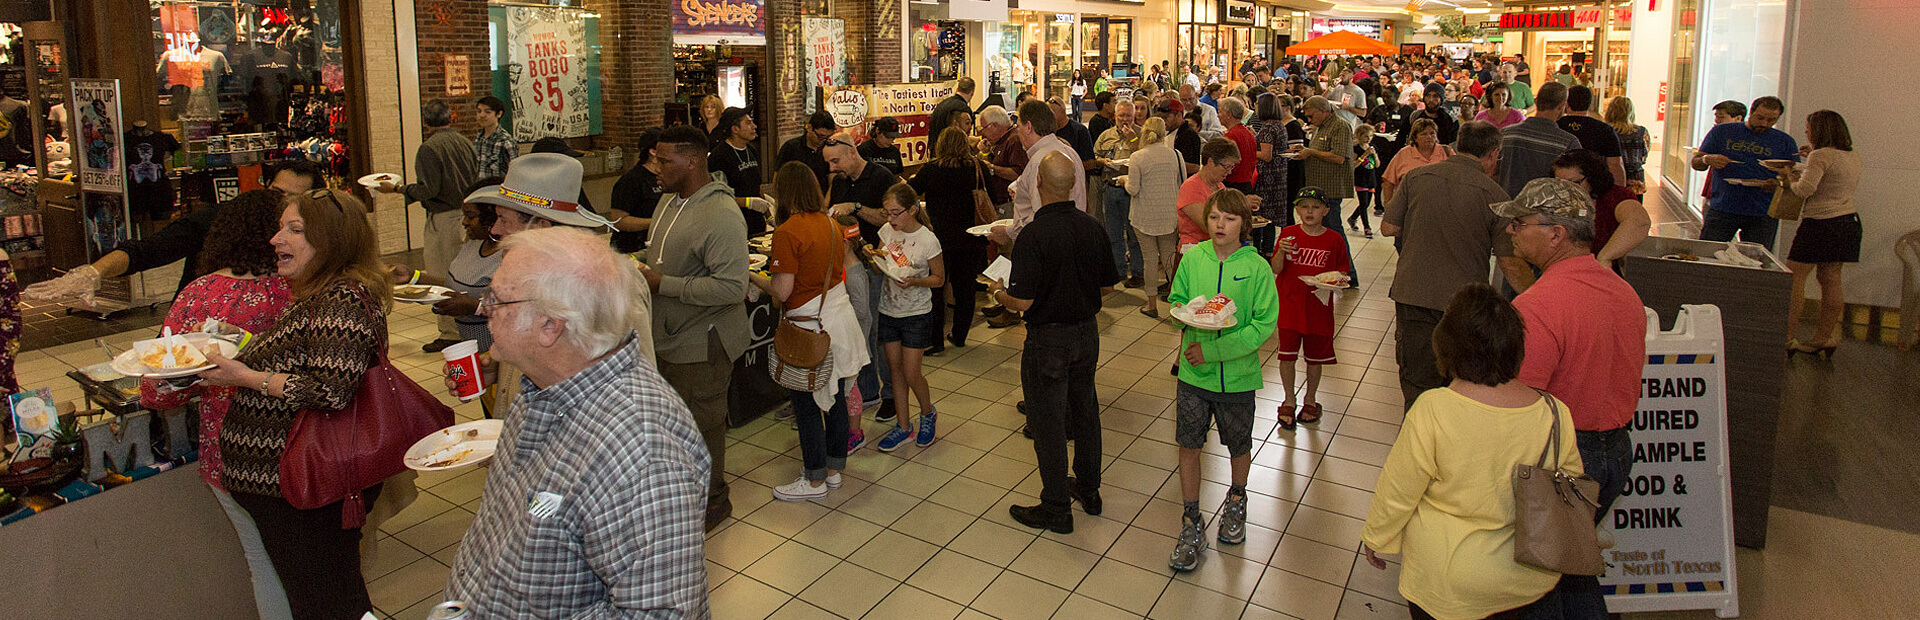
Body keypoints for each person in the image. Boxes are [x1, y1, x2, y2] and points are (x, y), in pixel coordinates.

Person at [446, 227, 709, 619]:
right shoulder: (543, 386)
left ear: (550, 326)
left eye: (496, 300)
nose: (482, 310)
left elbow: (660, 613)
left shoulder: (642, 451)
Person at [197, 188, 391, 620]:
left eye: (294, 229)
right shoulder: (318, 294)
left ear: (332, 241)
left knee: (327, 601)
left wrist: (244, 376)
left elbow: (331, 390)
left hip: (306, 485)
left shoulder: (339, 300)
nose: (276, 239)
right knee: (325, 594)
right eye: (281, 226)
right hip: (292, 486)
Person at [1361, 283, 1582, 620]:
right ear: (1515, 347)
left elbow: (1400, 488)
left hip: (1448, 580)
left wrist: (1377, 536)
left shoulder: (1433, 408)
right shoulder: (1553, 412)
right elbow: (1571, 484)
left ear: (1446, 346)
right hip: (1530, 576)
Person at [1493, 177, 1648, 620]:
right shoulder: (1623, 292)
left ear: (1556, 233)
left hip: (1563, 459)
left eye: (1520, 223)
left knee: (1539, 586)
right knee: (1573, 568)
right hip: (1616, 451)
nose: (1511, 231)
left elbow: (1524, 402)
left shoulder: (1539, 305)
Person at [136, 189, 293, 620]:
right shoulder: (302, 289)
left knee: (262, 566)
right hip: (305, 444)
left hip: (227, 451)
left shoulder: (200, 293)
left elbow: (159, 389)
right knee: (318, 568)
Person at [990, 152, 1118, 534]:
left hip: (1048, 340)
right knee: (1085, 412)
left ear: (1039, 185)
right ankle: (1089, 490)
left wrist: (998, 294)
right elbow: (1108, 285)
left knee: (1047, 422)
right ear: (1075, 185)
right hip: (1086, 332)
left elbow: (1024, 302)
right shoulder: (1092, 227)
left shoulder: (1034, 235)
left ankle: (1056, 507)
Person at [641, 126, 751, 528]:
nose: (656, 168)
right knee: (676, 426)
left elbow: (731, 287)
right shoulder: (668, 203)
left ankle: (713, 500)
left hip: (704, 343)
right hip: (669, 336)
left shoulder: (720, 214)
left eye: (664, 161)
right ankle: (685, 491)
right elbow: (665, 257)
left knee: (703, 426)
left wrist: (661, 284)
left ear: (693, 161)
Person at [1165, 188, 1278, 572]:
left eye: (1229, 219)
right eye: (1214, 217)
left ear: (1243, 224)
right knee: (1189, 444)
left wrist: (1212, 351)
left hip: (1236, 377)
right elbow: (1178, 300)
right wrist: (1182, 313)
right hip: (1194, 376)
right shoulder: (1193, 257)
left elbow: (1263, 325)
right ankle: (1191, 519)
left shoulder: (1258, 268)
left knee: (1238, 445)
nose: (1219, 225)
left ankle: (1237, 499)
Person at [24, 161, 322, 306]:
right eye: (277, 193)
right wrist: (92, 272)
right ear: (264, 185)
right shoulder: (225, 217)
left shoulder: (319, 234)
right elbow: (149, 250)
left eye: (295, 198)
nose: (283, 203)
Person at [748, 163, 870, 500]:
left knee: (806, 402)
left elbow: (783, 290)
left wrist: (752, 277)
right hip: (839, 318)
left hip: (809, 326)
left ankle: (814, 480)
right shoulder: (831, 224)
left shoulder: (787, 232)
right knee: (838, 401)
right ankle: (832, 471)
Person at [1383, 121, 1521, 409]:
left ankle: (1418, 442)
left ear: (1458, 144)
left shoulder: (1417, 178)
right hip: (1464, 305)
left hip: (1413, 294)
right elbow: (1508, 263)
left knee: (1418, 383)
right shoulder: (1495, 197)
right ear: (1494, 154)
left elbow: (1388, 227)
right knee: (1462, 385)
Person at [377, 99, 478, 354]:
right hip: (464, 214)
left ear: (425, 122)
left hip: (443, 217)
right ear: (451, 117)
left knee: (441, 274)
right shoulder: (465, 142)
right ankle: (464, 327)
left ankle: (450, 334)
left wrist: (398, 189)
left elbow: (428, 189)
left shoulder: (429, 148)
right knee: (461, 274)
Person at [826, 133, 903, 427]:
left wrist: (856, 208)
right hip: (850, 263)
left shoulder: (880, 176)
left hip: (877, 265)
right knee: (858, 330)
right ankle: (867, 390)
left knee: (877, 331)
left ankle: (889, 396)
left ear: (851, 152)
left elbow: (889, 218)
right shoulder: (841, 181)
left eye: (835, 161)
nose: (833, 168)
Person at [870, 183, 946, 451]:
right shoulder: (887, 231)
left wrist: (914, 282)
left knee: (913, 372)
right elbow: (882, 264)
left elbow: (938, 280)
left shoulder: (928, 239)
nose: (891, 219)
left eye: (895, 213)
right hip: (889, 309)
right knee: (895, 371)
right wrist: (875, 259)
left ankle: (927, 413)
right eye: (887, 213)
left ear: (912, 210)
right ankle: (903, 425)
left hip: (916, 313)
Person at [1779, 110, 1861, 358]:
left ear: (1818, 130)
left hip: (1821, 223)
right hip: (1848, 221)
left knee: (1795, 276)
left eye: (1808, 128)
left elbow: (1805, 190)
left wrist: (1787, 179)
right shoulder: (1851, 155)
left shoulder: (1821, 155)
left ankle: (1788, 337)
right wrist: (1810, 158)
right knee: (1831, 279)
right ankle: (1823, 338)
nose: (1806, 132)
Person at [1270, 187, 1351, 430]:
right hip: (1290, 304)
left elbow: (1342, 273)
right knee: (1287, 355)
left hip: (1319, 307)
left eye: (1316, 207)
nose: (1309, 211)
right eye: (1304, 206)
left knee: (1315, 358)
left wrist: (1333, 281)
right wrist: (1281, 253)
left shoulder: (1334, 239)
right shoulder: (1288, 234)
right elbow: (1275, 268)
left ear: (1326, 210)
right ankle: (1289, 398)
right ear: (1297, 209)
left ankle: (1311, 398)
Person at [910, 127, 992, 354]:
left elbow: (910, 192)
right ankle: (960, 335)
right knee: (966, 288)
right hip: (972, 236)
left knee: (937, 290)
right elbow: (991, 194)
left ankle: (935, 341)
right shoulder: (977, 167)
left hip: (939, 239)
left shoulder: (931, 170)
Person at [1692, 96, 1799, 251]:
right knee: (1708, 254)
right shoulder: (1723, 132)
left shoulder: (1785, 141)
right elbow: (1696, 163)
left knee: (1754, 261)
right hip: (1723, 207)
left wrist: (1778, 182)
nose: (1764, 123)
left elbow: (1794, 176)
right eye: (1760, 118)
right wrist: (1708, 159)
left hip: (1762, 211)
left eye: (1771, 120)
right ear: (1751, 113)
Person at [1126, 118, 1184, 318]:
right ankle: (1179, 304)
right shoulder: (1175, 155)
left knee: (1149, 261)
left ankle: (1151, 305)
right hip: (1169, 216)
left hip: (1144, 216)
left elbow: (1133, 189)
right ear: (1164, 131)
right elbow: (1181, 183)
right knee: (1169, 260)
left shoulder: (1137, 157)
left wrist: (1125, 180)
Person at [1552, 150, 1650, 264]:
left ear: (1592, 178)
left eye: (1574, 183)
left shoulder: (1615, 196)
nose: (1566, 189)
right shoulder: (1553, 200)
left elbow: (1639, 221)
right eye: (1560, 184)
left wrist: (1605, 257)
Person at [1497, 82, 1582, 204]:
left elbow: (1493, 171)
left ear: (1536, 101)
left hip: (1508, 208)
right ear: (1562, 105)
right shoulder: (1567, 142)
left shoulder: (1507, 134)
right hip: (1545, 215)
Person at [1095, 98, 1145, 287]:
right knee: (1113, 233)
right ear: (1114, 116)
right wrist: (1102, 162)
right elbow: (1096, 155)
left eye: (1129, 116)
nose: (1125, 119)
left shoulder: (1141, 135)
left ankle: (1138, 272)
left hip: (1132, 190)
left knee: (1134, 233)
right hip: (1110, 187)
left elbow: (1143, 155)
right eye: (1121, 115)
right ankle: (1118, 270)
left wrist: (1132, 138)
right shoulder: (1106, 135)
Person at [708, 107, 772, 237]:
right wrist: (748, 202)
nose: (754, 126)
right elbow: (715, 198)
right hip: (733, 225)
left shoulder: (751, 150)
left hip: (757, 224)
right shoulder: (719, 156)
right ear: (735, 129)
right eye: (748, 123)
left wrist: (768, 216)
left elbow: (757, 186)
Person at [1179, 138, 1246, 250]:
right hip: (1194, 249)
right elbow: (1207, 226)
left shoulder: (1220, 186)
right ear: (1210, 162)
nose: (1229, 172)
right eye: (1226, 167)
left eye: (1231, 167)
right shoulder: (1191, 187)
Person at [607, 128, 665, 253]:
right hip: (632, 249)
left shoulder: (668, 177)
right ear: (653, 152)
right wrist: (655, 222)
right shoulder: (632, 180)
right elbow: (618, 221)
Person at [1557, 86, 1627, 187]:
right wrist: (1619, 193)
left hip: (1560, 184)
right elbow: (1615, 164)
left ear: (1566, 103)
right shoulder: (1604, 129)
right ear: (1589, 104)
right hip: (1593, 186)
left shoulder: (1557, 125)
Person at [1251, 93, 1292, 252]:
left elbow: (1266, 155)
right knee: (1271, 218)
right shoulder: (1279, 124)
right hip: (1279, 174)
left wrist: (1250, 150)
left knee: (1263, 215)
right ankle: (1268, 249)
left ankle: (1261, 250)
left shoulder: (1267, 127)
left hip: (1268, 176)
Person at [1381, 118, 1453, 205]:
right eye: (1424, 134)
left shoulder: (1447, 152)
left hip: (1441, 207)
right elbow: (1388, 181)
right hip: (1409, 208)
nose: (1429, 137)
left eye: (1432, 133)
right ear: (1415, 137)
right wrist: (1388, 207)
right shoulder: (1404, 154)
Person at [778, 110, 838, 190]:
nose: (823, 140)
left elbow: (832, 179)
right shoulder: (791, 147)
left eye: (828, 137)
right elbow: (778, 176)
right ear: (809, 128)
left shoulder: (829, 149)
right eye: (820, 136)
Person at [1605, 96, 1650, 195]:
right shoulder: (1641, 132)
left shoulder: (1605, 131)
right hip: (1636, 181)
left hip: (1611, 178)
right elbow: (1644, 156)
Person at [1219, 96, 1259, 197]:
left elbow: (1230, 166)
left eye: (1220, 112)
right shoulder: (1249, 134)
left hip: (1233, 185)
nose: (1218, 115)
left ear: (1229, 115)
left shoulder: (1231, 136)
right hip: (1247, 184)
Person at [1349, 123, 1380, 238]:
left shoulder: (1372, 148)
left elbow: (1377, 165)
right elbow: (1354, 165)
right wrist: (1365, 155)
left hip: (1371, 179)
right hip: (1360, 179)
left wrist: (1374, 155)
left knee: (1366, 204)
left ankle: (1352, 218)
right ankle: (1367, 227)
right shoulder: (1355, 148)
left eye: (1371, 136)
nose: (1368, 139)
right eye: (1366, 136)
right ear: (1359, 136)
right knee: (1363, 203)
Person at [473, 95, 515, 178]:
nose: (482, 115)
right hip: (478, 188)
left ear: (499, 114)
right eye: (479, 111)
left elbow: (514, 171)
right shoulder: (478, 138)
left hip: (496, 188)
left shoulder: (505, 140)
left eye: (487, 112)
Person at [929, 76, 976, 143]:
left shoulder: (942, 104)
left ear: (957, 89)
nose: (970, 127)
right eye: (967, 123)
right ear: (972, 92)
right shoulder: (964, 110)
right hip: (951, 150)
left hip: (936, 148)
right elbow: (963, 137)